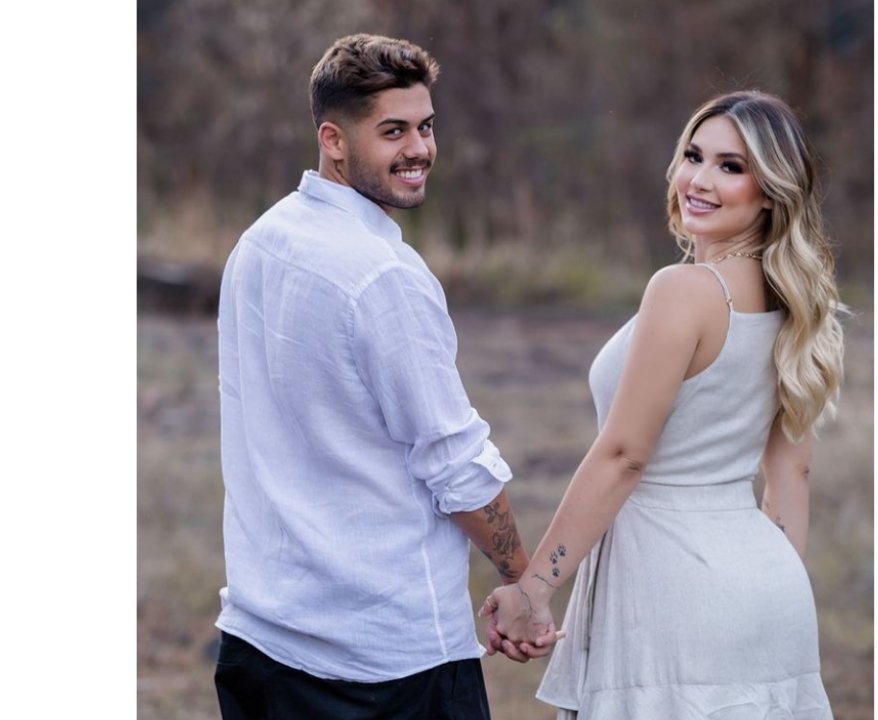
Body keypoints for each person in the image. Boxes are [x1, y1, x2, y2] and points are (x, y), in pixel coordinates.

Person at [212, 33, 549, 720]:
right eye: (393, 131)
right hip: (385, 667)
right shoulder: (384, 277)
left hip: (261, 642)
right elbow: (456, 466)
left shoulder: (260, 241)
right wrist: (526, 581)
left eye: (426, 127)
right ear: (333, 140)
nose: (419, 149)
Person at [480, 90, 844, 719]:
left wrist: (533, 589)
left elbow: (624, 455)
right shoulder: (795, 302)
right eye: (694, 156)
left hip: (673, 598)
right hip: (771, 592)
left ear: (771, 190)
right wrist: (765, 598)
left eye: (731, 167)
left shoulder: (684, 290)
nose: (699, 180)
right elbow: (792, 474)